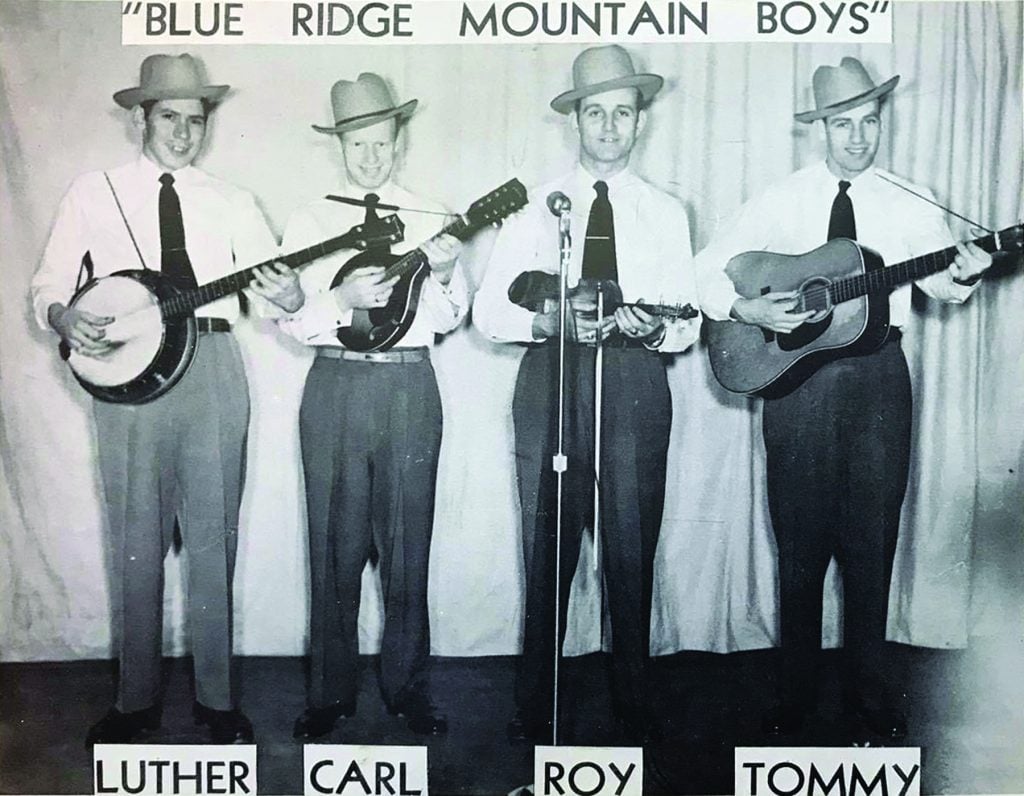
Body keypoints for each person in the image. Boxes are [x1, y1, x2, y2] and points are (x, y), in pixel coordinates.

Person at [695, 57, 993, 739]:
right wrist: (745, 308)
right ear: (820, 129)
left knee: (871, 543)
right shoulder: (781, 198)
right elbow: (708, 268)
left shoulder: (912, 199)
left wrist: (969, 272)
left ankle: (870, 700)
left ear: (882, 122)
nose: (858, 137)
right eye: (842, 124)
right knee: (798, 547)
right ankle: (794, 700)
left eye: (869, 121)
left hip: (879, 384)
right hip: (797, 387)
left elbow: (943, 285)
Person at [30, 54, 298, 746]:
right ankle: (134, 702)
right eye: (169, 117)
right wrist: (64, 316)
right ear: (138, 120)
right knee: (135, 542)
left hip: (213, 366)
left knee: (213, 539)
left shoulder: (234, 201)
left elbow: (273, 302)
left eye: (196, 121)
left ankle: (217, 700)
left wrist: (290, 295)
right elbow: (49, 284)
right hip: (128, 376)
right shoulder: (93, 192)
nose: (183, 133)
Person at [474, 45, 701, 745]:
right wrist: (548, 322)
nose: (608, 127)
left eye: (622, 114)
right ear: (575, 121)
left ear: (640, 122)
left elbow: (688, 322)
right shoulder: (535, 206)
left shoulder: (666, 212)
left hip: (633, 384)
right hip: (551, 378)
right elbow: (488, 311)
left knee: (631, 546)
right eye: (595, 113)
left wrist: (655, 328)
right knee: (547, 546)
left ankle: (633, 701)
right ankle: (536, 702)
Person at [271, 73, 467, 738]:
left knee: (409, 546)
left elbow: (449, 318)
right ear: (340, 146)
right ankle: (330, 693)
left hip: (410, 386)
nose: (371, 156)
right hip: (335, 384)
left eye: (382, 142)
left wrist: (445, 273)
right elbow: (290, 322)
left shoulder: (432, 217)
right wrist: (339, 301)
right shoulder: (310, 220)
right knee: (335, 546)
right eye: (358, 144)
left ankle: (408, 689)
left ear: (399, 141)